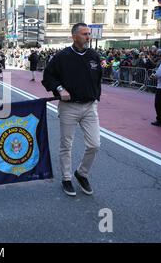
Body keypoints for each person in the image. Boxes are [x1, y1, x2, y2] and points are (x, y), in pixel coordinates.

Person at [42, 23, 102, 197]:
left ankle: (81, 173)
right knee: (66, 145)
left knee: (95, 145)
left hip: (90, 107)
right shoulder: (62, 56)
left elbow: (97, 78)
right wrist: (60, 89)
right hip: (69, 108)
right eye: (84, 34)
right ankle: (66, 178)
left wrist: (95, 95)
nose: (88, 37)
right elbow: (48, 77)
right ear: (74, 36)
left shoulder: (93, 55)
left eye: (89, 34)